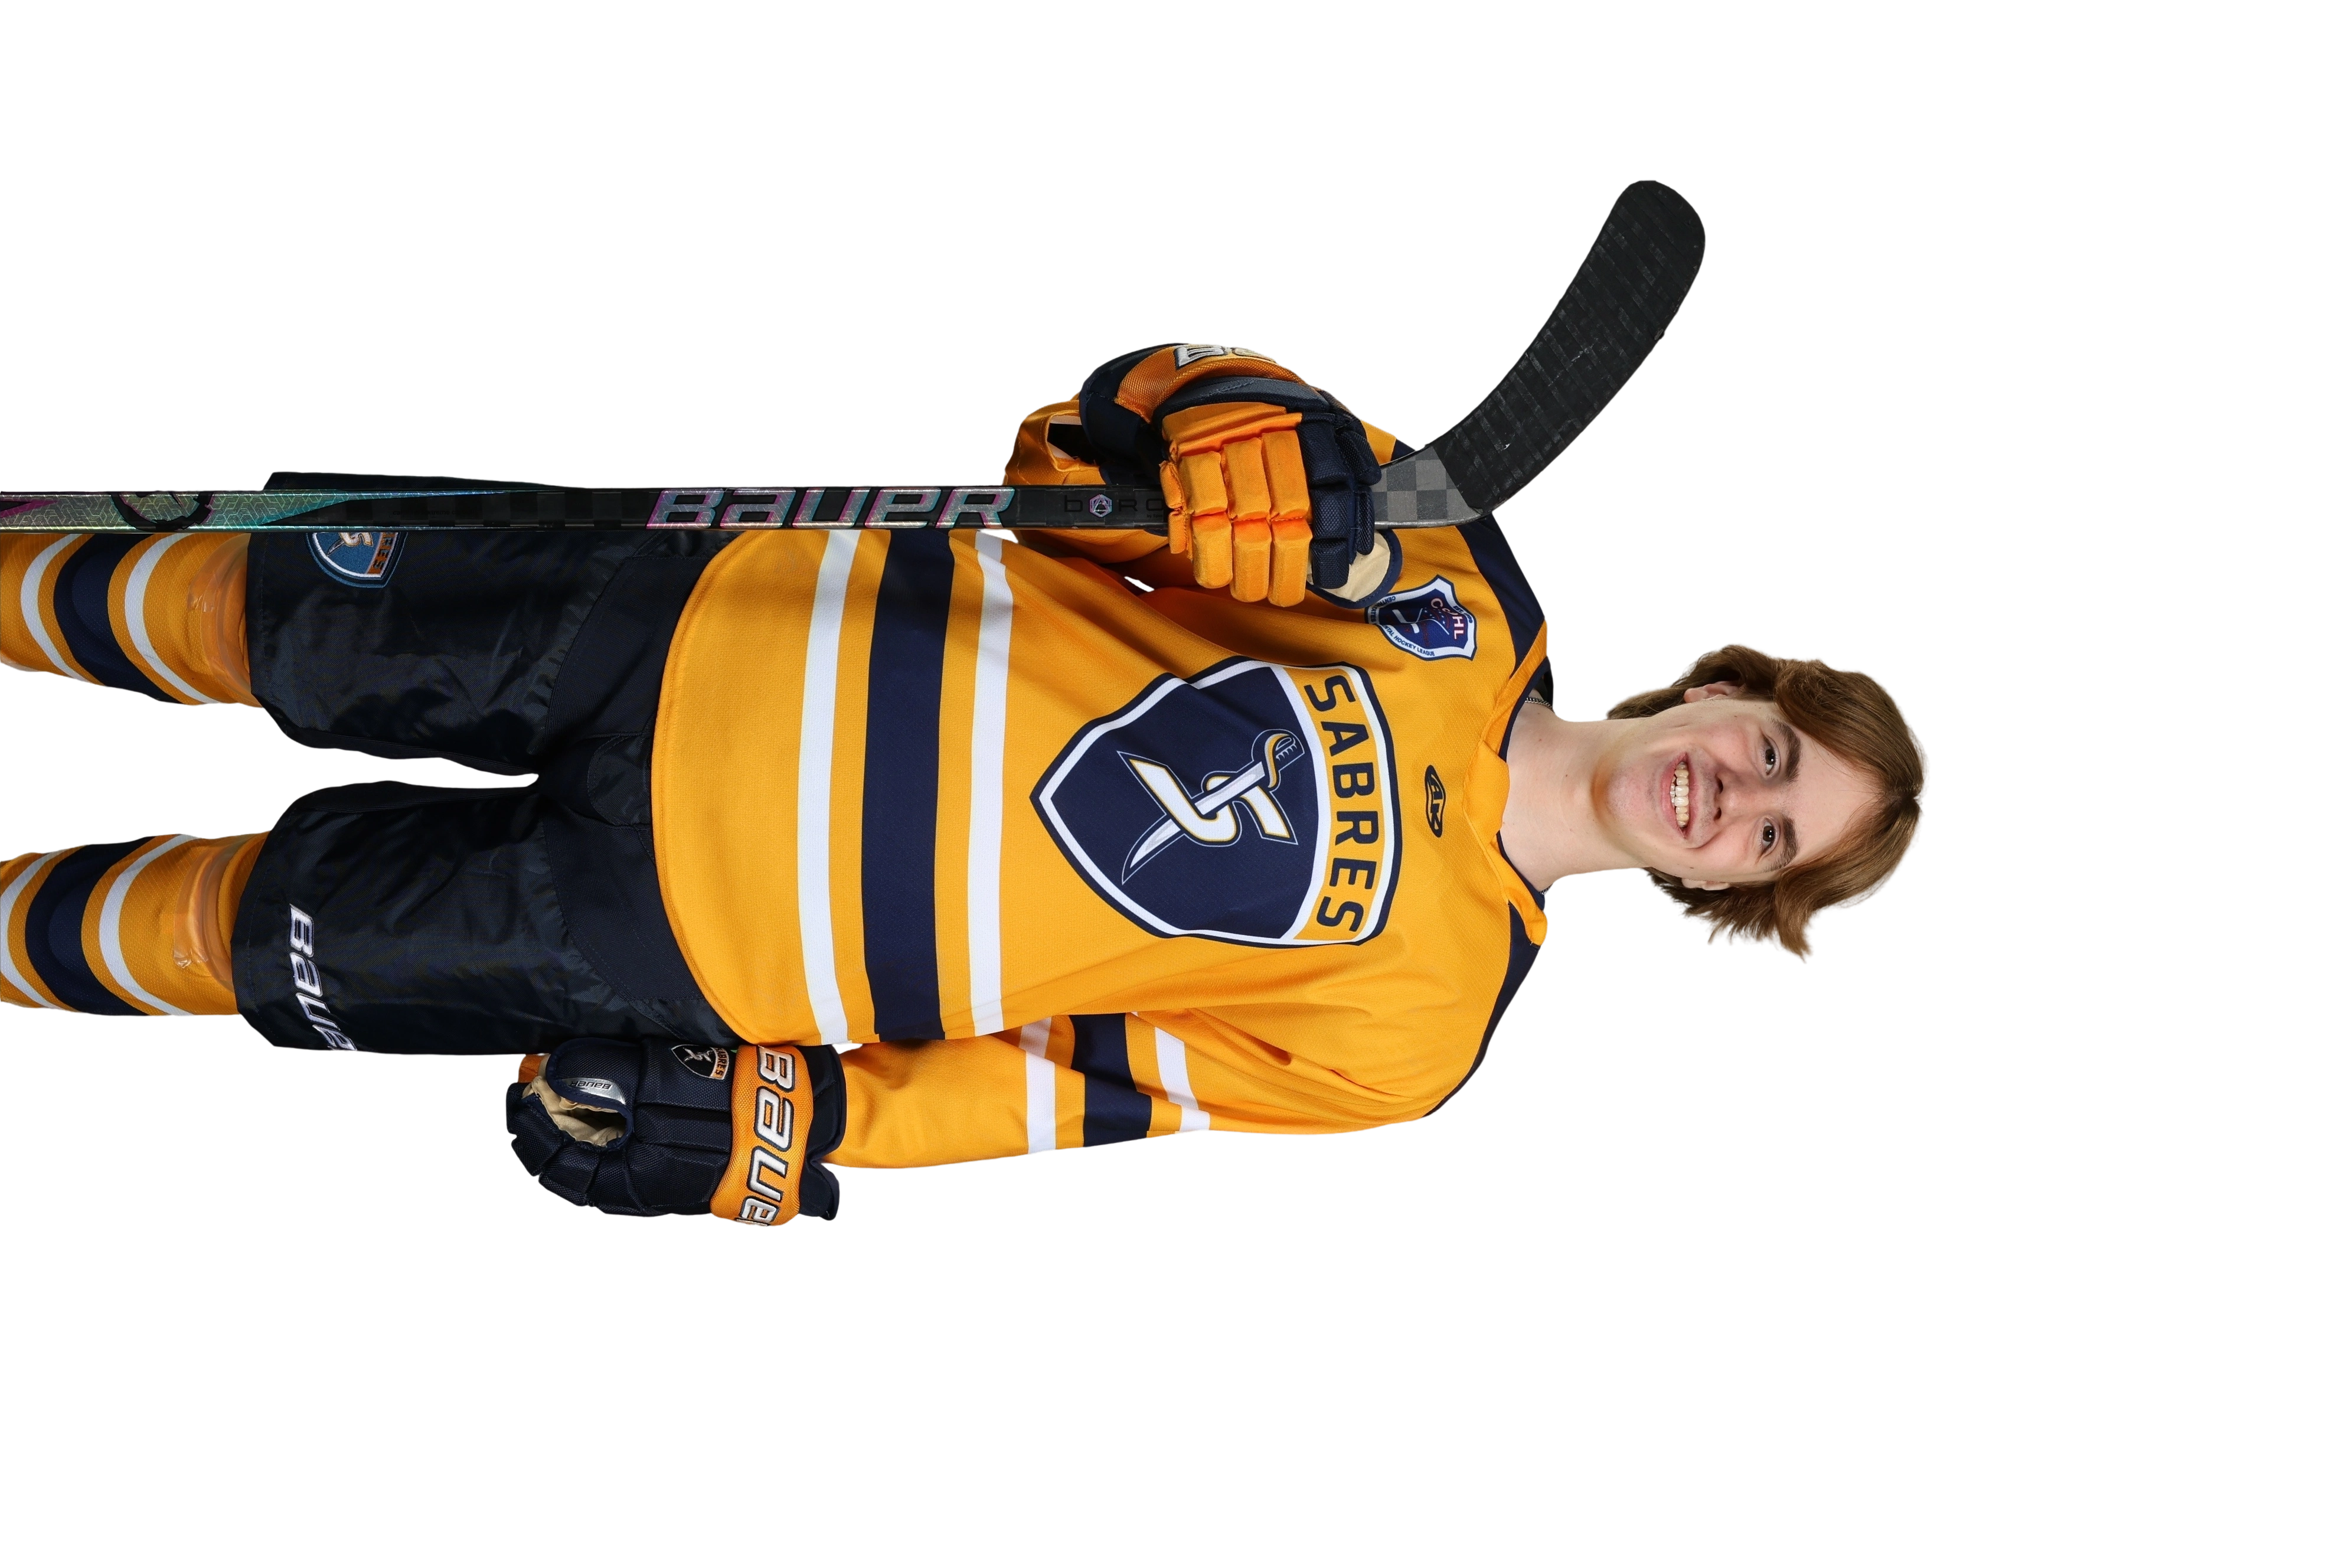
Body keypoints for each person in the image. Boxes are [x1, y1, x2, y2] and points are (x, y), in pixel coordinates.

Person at [0, 344, 1930, 1226]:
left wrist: (800, 1141)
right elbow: (1092, 427)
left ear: (1724, 898)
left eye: (1772, 842)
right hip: (715, 625)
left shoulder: (1421, 1035)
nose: (1728, 800)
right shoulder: (1450, 567)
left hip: (696, 939)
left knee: (231, 941)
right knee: (242, 614)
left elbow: (1071, 1090)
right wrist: (1224, 421)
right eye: (1769, 753)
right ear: (1722, 687)